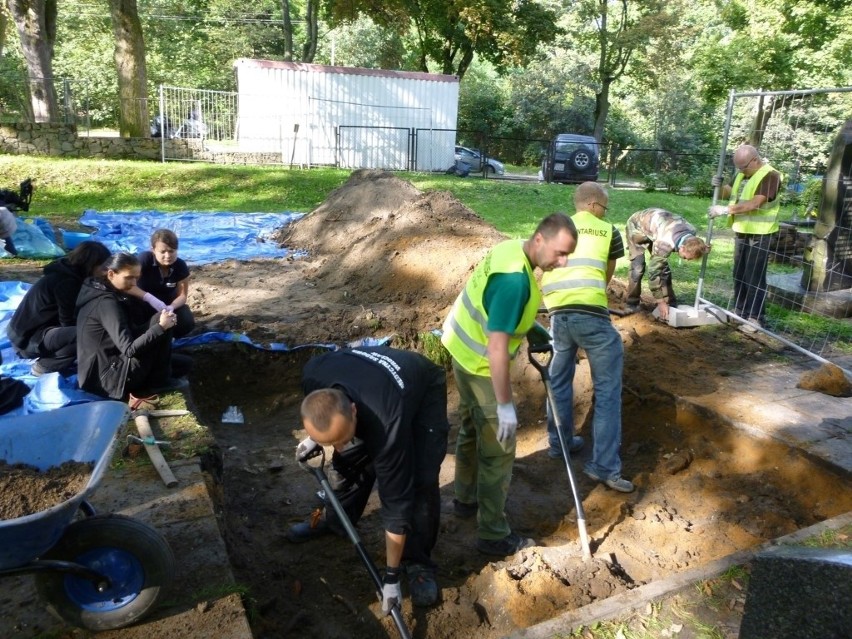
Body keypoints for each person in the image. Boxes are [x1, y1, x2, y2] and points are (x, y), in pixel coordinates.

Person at [441, 212, 578, 556]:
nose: (562, 263)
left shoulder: (509, 249)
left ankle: (465, 499)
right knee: (499, 450)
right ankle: (492, 533)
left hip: (460, 348)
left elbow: (493, 306)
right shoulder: (516, 281)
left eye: (568, 255)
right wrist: (503, 405)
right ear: (539, 240)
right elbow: (497, 348)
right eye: (560, 253)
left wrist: (531, 328)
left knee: (471, 428)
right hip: (481, 365)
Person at [287, 346, 450, 612]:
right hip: (370, 383)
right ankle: (337, 519)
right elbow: (324, 417)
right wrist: (315, 438)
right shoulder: (313, 376)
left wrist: (391, 577)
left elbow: (395, 503)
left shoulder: (386, 425)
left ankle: (418, 562)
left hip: (421, 386)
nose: (336, 447)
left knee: (419, 478)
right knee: (349, 456)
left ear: (353, 410)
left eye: (339, 439)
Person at [541, 182, 634, 493]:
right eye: (605, 206)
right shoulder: (608, 230)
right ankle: (604, 466)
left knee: (557, 381)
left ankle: (560, 444)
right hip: (592, 315)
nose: (605, 211)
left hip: (558, 315)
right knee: (608, 391)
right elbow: (607, 275)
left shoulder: (557, 226)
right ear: (595, 205)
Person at [76, 252, 186, 404]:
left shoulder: (103, 290)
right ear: (111, 274)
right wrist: (160, 327)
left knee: (185, 363)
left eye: (137, 277)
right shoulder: (106, 304)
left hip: (108, 365)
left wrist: (158, 321)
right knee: (162, 326)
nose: (134, 283)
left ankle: (159, 377)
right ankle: (160, 383)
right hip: (107, 380)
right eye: (129, 277)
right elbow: (129, 349)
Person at [7, 241, 111, 376]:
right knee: (89, 334)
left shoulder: (67, 270)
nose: (106, 272)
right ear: (91, 265)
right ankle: (44, 366)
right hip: (28, 340)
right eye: (103, 267)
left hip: (24, 332)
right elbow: (67, 321)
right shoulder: (66, 283)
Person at [709, 144, 782, 333]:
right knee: (739, 273)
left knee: (755, 276)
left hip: (761, 233)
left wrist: (725, 210)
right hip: (741, 230)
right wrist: (719, 185)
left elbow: (755, 203)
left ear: (755, 160)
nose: (740, 170)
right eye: (738, 167)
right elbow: (729, 192)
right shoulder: (742, 174)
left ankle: (755, 318)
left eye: (743, 166)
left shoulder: (771, 176)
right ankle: (739, 311)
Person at [624, 208, 710, 319]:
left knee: (663, 268)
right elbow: (653, 273)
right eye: (686, 258)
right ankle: (632, 303)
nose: (687, 260)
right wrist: (660, 302)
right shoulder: (664, 244)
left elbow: (697, 245)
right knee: (638, 267)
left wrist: (703, 248)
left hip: (657, 228)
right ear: (682, 248)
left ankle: (671, 302)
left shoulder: (691, 230)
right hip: (637, 227)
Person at [129, 228, 195, 338]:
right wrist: (149, 298)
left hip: (166, 308)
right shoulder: (145, 260)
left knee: (186, 320)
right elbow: (128, 286)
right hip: (142, 306)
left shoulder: (180, 266)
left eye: (171, 251)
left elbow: (182, 295)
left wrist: (172, 306)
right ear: (153, 250)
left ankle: (169, 337)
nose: (168, 256)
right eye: (163, 252)